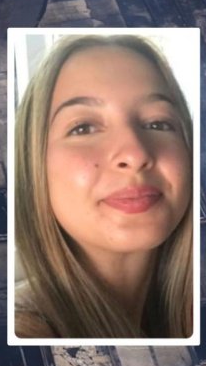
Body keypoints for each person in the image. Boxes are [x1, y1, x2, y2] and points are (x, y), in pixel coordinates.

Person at [13, 34, 194, 339]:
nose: (135, 155)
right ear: (34, 167)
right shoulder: (27, 331)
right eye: (83, 127)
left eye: (158, 123)